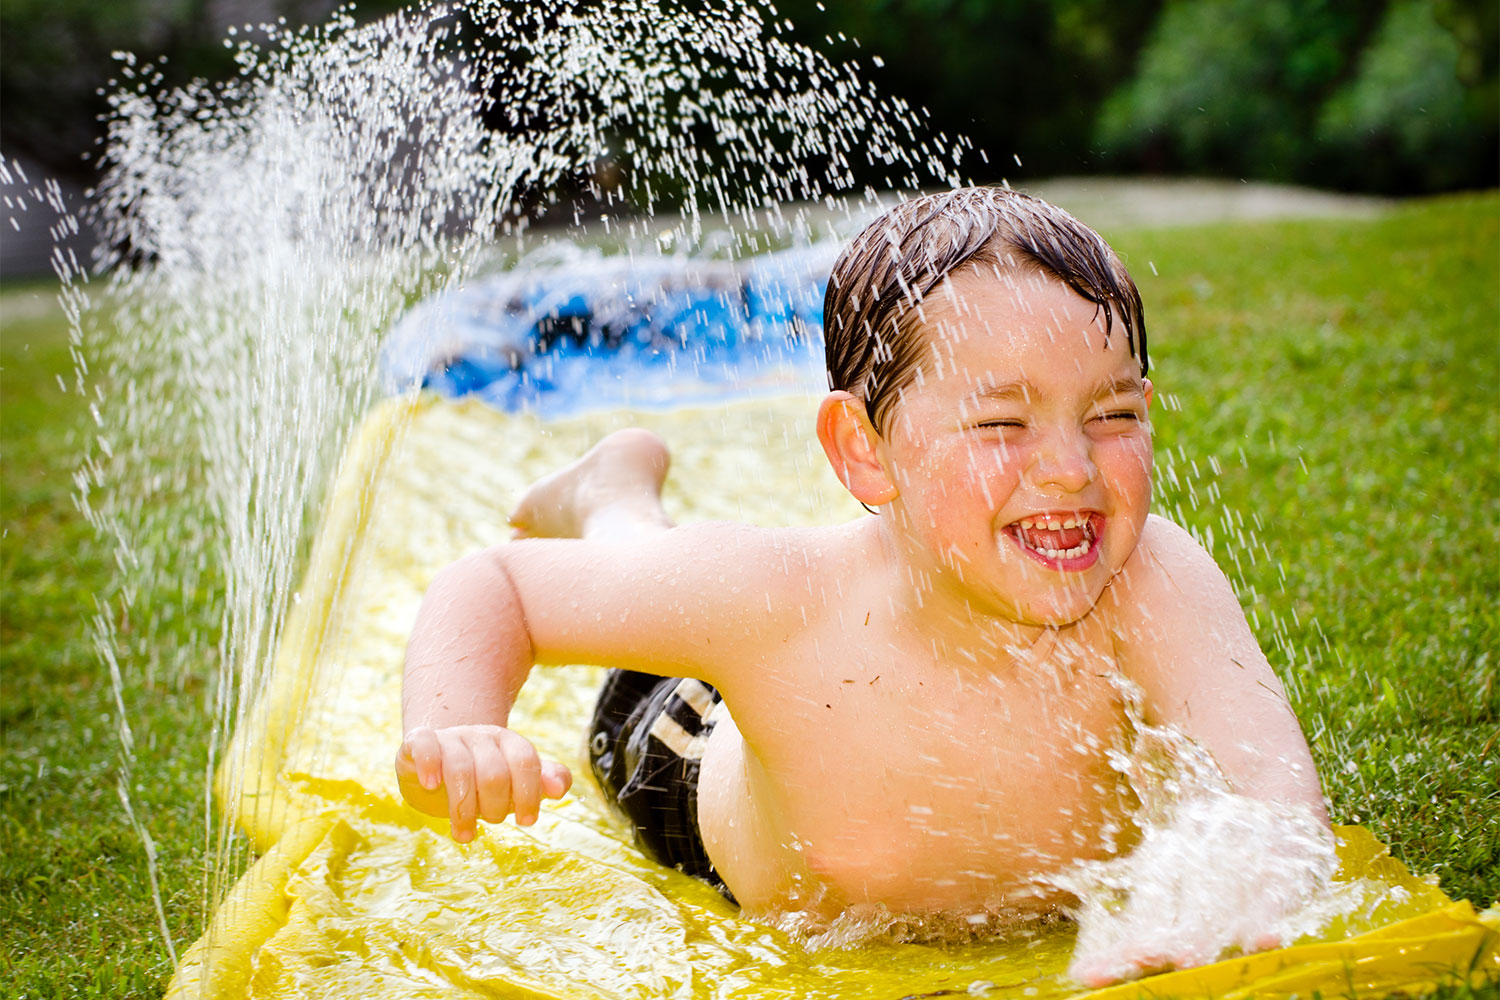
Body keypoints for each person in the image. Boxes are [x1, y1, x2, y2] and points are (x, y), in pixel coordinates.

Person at [394, 187, 1328, 973]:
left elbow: (1273, 788)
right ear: (864, 453)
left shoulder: (1156, 581)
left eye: (1113, 414)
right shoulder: (781, 599)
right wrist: (458, 730)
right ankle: (612, 496)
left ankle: (617, 495)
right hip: (685, 739)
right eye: (1003, 424)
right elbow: (497, 589)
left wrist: (1217, 901)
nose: (1072, 469)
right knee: (649, 575)